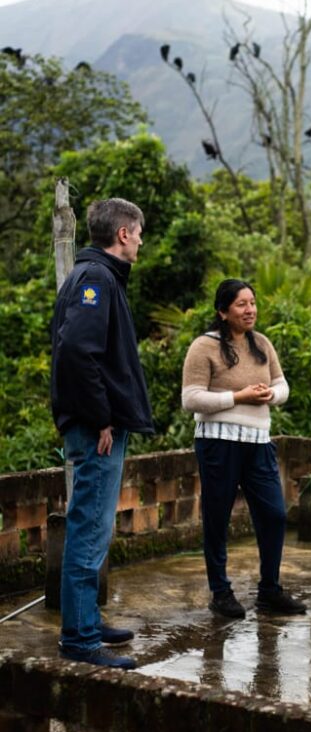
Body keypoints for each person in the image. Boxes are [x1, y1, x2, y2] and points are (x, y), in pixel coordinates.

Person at [51, 197, 153, 670]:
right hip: (96, 428)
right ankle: (79, 638)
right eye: (139, 233)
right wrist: (101, 417)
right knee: (89, 528)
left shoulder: (100, 276)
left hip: (99, 424)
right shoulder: (95, 278)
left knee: (96, 527)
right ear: (124, 233)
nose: (141, 242)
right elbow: (76, 350)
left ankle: (87, 617)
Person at [181, 279, 306, 618]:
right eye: (241, 304)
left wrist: (271, 395)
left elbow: (282, 385)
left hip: (258, 443)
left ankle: (270, 591)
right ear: (223, 312)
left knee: (274, 515)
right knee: (218, 518)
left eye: (252, 302)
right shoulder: (204, 347)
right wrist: (238, 397)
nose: (250, 310)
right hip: (218, 443)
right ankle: (220, 592)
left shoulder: (261, 343)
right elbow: (190, 398)